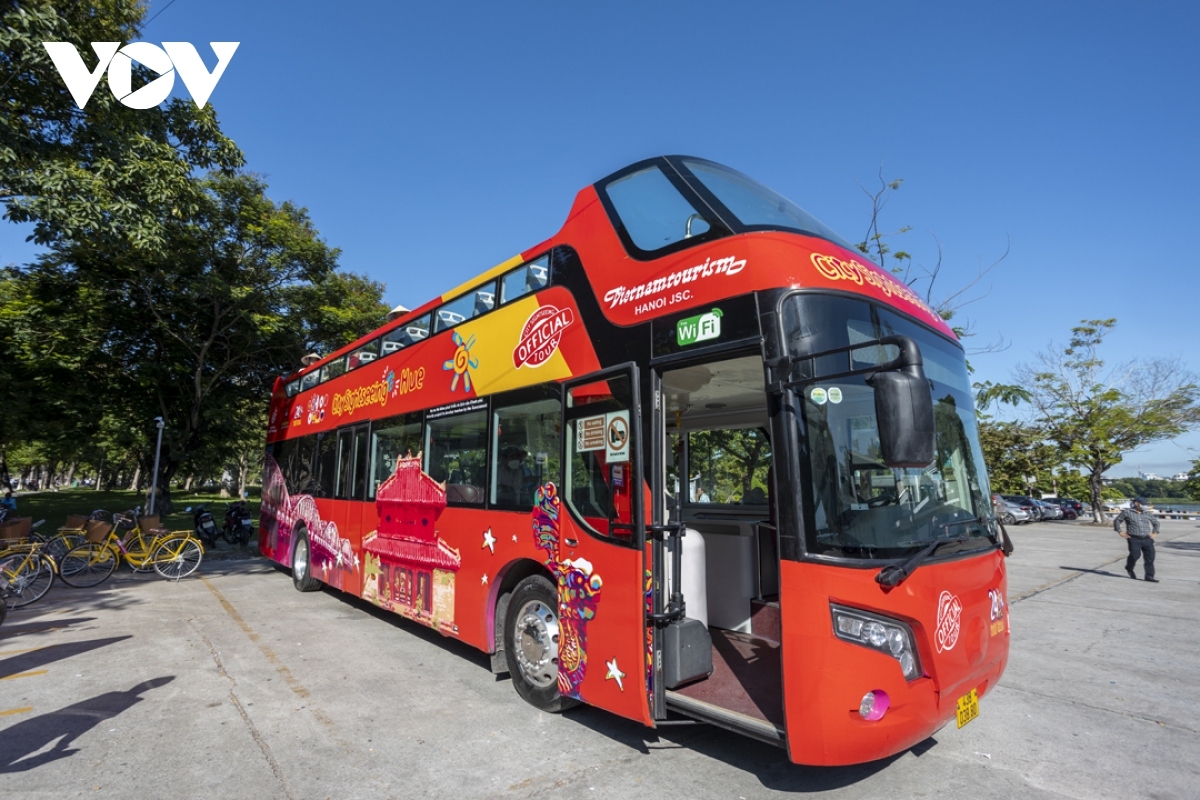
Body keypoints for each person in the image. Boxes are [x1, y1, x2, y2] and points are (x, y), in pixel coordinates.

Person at [1113, 497, 1159, 582]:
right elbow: (1117, 521)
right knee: (1135, 555)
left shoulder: (1147, 513)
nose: (1144, 505)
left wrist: (1155, 532)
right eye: (1143, 503)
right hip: (1134, 539)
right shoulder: (1127, 512)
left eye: (1145, 504)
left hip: (1147, 539)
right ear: (1136, 503)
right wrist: (1120, 532)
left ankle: (1149, 576)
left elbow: (1156, 523)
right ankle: (1129, 567)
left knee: (1150, 558)